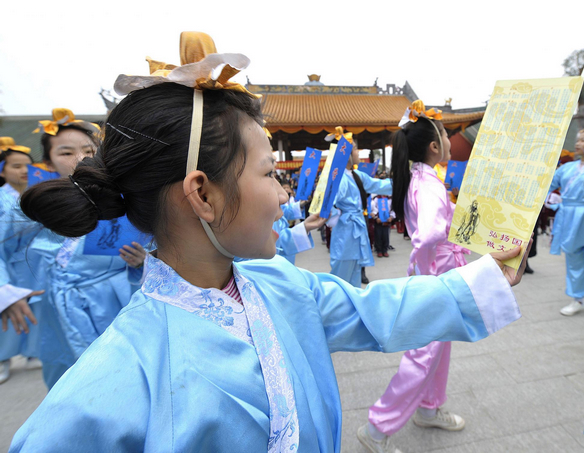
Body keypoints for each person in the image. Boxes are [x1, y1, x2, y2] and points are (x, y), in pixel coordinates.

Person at [9, 32, 529, 453]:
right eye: (268, 172)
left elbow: (378, 311)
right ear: (203, 194)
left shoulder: (278, 281)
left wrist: (487, 275)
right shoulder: (111, 385)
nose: (286, 193)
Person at [0, 109, 146, 389]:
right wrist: (6, 292)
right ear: (48, 162)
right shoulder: (36, 205)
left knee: (122, 383)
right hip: (57, 312)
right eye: (66, 153)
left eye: (89, 149)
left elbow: (169, 252)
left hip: (115, 305)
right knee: (67, 383)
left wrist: (145, 262)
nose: (80, 159)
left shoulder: (125, 201)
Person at [358, 101, 472, 452]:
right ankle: (377, 428)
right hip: (435, 283)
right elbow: (428, 232)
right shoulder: (429, 184)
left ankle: (428, 407)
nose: (452, 141)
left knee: (438, 350)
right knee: (423, 356)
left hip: (437, 279)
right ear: (434, 146)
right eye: (446, 135)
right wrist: (427, 267)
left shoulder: (425, 179)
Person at [547, 120, 584, 316]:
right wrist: (550, 199)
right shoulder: (566, 168)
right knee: (574, 259)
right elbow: (547, 186)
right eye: (577, 140)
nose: (578, 143)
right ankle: (577, 299)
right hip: (568, 217)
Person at [328, 129, 392, 287]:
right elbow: (329, 201)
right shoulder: (339, 177)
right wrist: (336, 217)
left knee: (355, 272)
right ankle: (337, 308)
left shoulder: (357, 175)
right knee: (341, 275)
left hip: (356, 228)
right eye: (355, 148)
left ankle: (353, 306)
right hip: (346, 229)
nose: (357, 152)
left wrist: (403, 182)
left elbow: (378, 185)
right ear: (347, 153)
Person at [0, 138, 41, 384]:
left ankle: (31, 352)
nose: (24, 170)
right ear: (2, 170)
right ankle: (3, 357)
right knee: (7, 308)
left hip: (35, 263)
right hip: (8, 262)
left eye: (28, 165)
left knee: (35, 306)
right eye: (16, 166)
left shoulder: (37, 194)